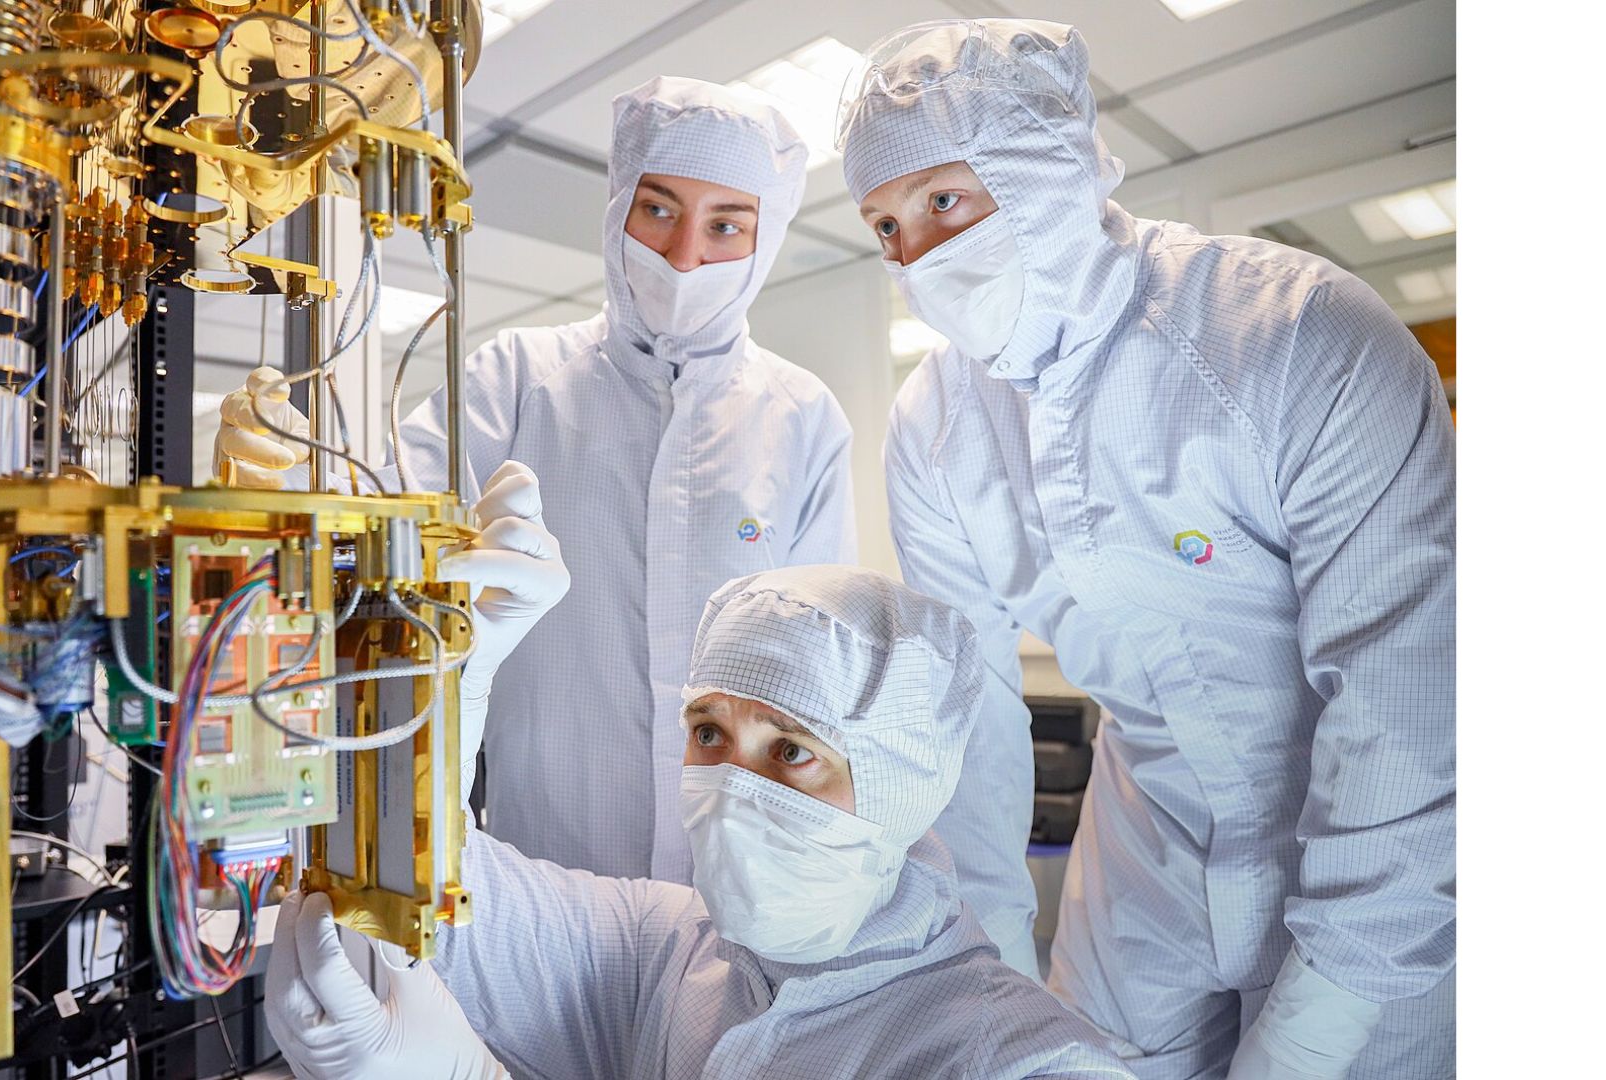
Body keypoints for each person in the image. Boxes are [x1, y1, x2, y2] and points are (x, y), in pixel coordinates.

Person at [832, 18, 1456, 1080]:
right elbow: (972, 719)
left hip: (1365, 851)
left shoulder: (1297, 335)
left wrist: (1312, 1032)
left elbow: (1407, 705)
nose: (919, 259)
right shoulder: (934, 423)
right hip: (1139, 864)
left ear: (1045, 168)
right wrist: (989, 981)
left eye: (943, 201)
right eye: (886, 227)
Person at [264, 469, 1130, 1078]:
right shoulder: (671, 948)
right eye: (708, 731)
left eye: (791, 750)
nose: (732, 785)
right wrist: (441, 703)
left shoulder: (1026, 1062)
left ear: (899, 787)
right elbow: (446, 896)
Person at [217, 76, 858, 885]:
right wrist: (295, 478)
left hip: (737, 878)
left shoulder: (802, 416)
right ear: (618, 203)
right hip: (544, 870)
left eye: (726, 224)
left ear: (764, 242)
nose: (685, 254)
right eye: (658, 209)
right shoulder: (517, 377)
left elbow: (825, 671)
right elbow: (387, 531)